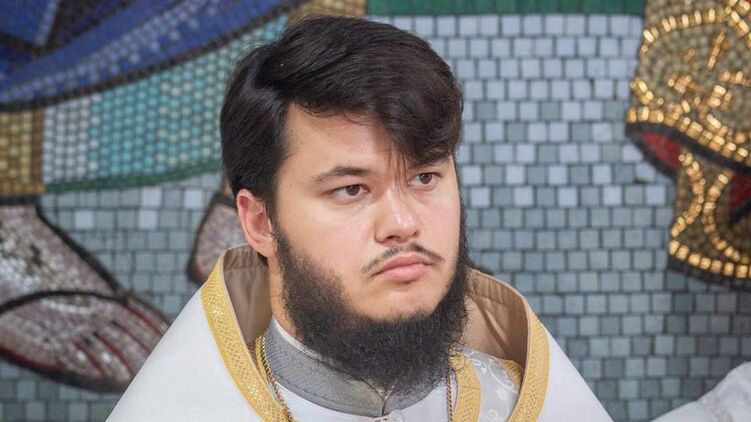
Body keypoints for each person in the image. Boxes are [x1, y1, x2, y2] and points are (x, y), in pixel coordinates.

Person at [108, 16, 611, 422]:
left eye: (424, 178)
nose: (402, 223)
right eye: (351, 189)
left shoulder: (526, 407)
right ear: (260, 223)